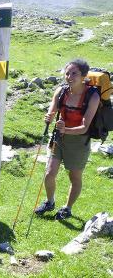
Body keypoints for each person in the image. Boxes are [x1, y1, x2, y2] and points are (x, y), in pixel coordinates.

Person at [35, 59, 99, 220]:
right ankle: (50, 202)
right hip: (59, 139)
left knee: (75, 177)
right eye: (67, 73)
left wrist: (65, 129)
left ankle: (67, 208)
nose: (69, 76)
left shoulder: (92, 96)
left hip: (79, 142)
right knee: (50, 174)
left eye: (74, 73)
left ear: (84, 75)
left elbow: (84, 127)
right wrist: (48, 117)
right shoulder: (61, 91)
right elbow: (52, 109)